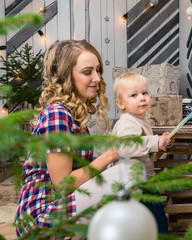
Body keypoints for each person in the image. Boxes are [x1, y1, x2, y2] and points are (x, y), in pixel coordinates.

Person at [15, 40, 126, 238]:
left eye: (98, 70)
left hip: (62, 204)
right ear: (67, 75)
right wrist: (110, 155)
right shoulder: (57, 114)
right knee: (126, 176)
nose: (97, 78)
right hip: (42, 214)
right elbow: (63, 184)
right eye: (87, 72)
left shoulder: (73, 115)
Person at [112, 72, 174, 233]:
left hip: (141, 181)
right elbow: (126, 146)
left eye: (145, 93)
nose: (142, 98)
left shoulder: (138, 120)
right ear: (120, 104)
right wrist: (155, 141)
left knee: (146, 222)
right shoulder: (127, 122)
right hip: (134, 184)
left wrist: (161, 142)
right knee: (158, 222)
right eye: (134, 95)